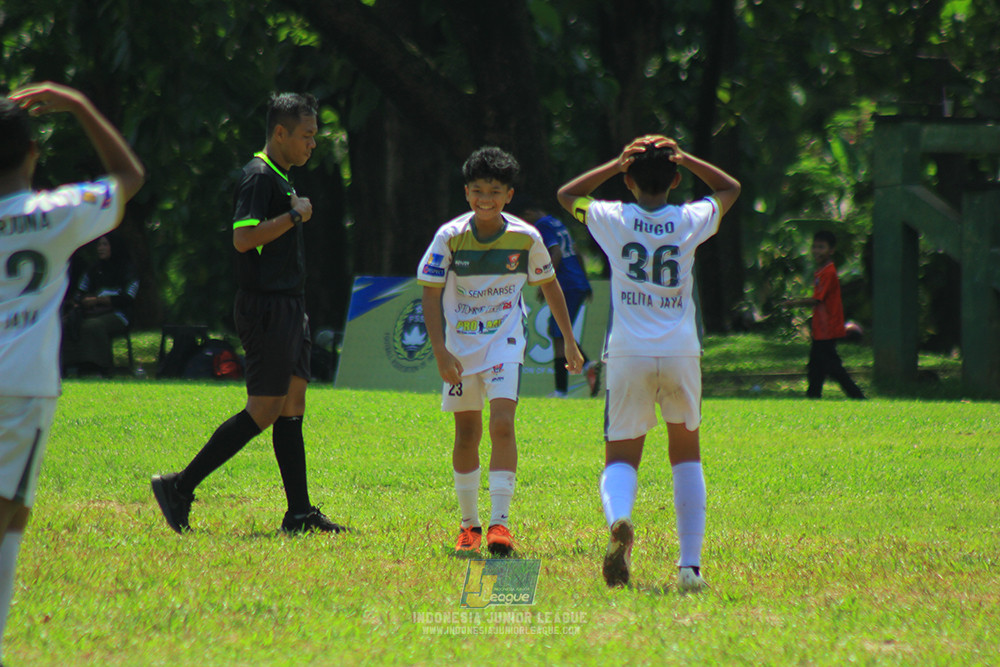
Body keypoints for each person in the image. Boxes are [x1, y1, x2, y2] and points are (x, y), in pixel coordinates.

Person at [151, 92, 347, 535]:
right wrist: (294, 217)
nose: (312, 144)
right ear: (280, 132)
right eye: (306, 136)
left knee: (292, 406)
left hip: (290, 306)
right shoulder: (259, 177)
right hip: (267, 308)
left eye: (314, 136)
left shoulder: (281, 176)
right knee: (263, 409)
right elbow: (243, 239)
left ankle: (299, 514)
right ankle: (179, 486)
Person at [0, 82, 145, 663]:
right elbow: (128, 177)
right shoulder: (53, 213)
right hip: (25, 385)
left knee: (17, 509)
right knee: (8, 509)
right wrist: (80, 104)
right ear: (34, 150)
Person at [557, 134, 740, 591]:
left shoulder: (612, 216)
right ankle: (690, 568)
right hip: (680, 351)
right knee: (686, 453)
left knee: (620, 456)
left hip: (628, 352)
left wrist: (614, 165)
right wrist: (688, 156)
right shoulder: (688, 218)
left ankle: (620, 520)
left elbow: (567, 196)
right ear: (676, 179)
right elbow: (730, 189)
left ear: (629, 180)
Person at [418, 146, 584, 557]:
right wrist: (440, 351)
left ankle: (500, 525)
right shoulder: (450, 237)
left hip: (504, 341)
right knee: (467, 432)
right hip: (460, 347)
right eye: (477, 190)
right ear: (466, 193)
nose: (485, 199)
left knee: (503, 424)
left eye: (494, 191)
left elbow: (550, 286)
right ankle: (468, 524)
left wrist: (570, 341)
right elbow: (430, 294)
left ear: (509, 194)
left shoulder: (526, 237)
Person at [510, 199, 601, 398]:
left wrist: (545, 280)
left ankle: (569, 383)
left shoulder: (542, 225)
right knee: (558, 332)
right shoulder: (557, 223)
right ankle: (578, 374)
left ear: (530, 211)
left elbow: (556, 251)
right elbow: (575, 251)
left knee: (559, 333)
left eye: (525, 217)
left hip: (566, 284)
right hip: (576, 282)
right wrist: (584, 279)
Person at [780, 231, 866, 400]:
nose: (816, 251)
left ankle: (857, 396)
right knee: (816, 366)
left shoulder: (828, 272)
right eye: (814, 246)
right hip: (821, 328)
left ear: (831, 250)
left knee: (833, 367)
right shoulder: (821, 272)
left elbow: (817, 300)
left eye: (821, 247)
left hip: (828, 328)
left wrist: (793, 303)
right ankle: (813, 396)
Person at [61, 232, 139, 376]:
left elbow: (127, 298)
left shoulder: (128, 270)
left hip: (119, 314)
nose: (100, 248)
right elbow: (80, 292)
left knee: (93, 326)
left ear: (114, 247)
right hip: (90, 313)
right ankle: (72, 365)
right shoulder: (93, 270)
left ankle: (99, 366)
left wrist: (98, 300)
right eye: (99, 244)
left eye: (105, 244)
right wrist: (79, 303)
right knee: (68, 324)